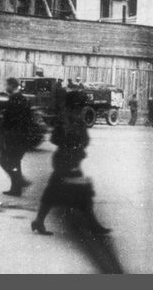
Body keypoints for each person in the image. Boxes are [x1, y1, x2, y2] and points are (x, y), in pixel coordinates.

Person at [31, 91, 111, 237]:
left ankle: (39, 220)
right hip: (63, 160)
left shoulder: (78, 121)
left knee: (79, 192)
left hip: (74, 159)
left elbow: (86, 140)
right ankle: (39, 220)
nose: (80, 109)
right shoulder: (64, 120)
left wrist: (78, 146)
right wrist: (70, 143)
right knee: (61, 191)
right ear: (72, 106)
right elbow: (54, 139)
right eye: (78, 106)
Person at [0, 77, 37, 197]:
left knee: (5, 161)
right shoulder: (21, 98)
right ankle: (17, 187)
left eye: (7, 85)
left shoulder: (15, 99)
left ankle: (19, 183)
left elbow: (12, 119)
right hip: (20, 136)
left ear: (12, 86)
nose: (5, 88)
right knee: (14, 162)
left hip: (15, 136)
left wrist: (3, 119)